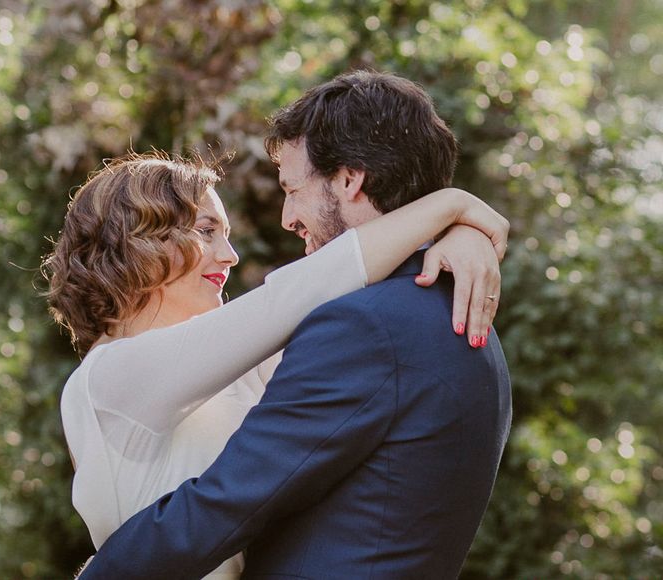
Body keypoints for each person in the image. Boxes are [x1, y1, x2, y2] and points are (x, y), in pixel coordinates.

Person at [76, 71, 512, 579]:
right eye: (207, 231)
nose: (286, 218)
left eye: (292, 188)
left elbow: (227, 503)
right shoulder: (455, 315)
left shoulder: (365, 329)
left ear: (349, 179)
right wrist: (456, 216)